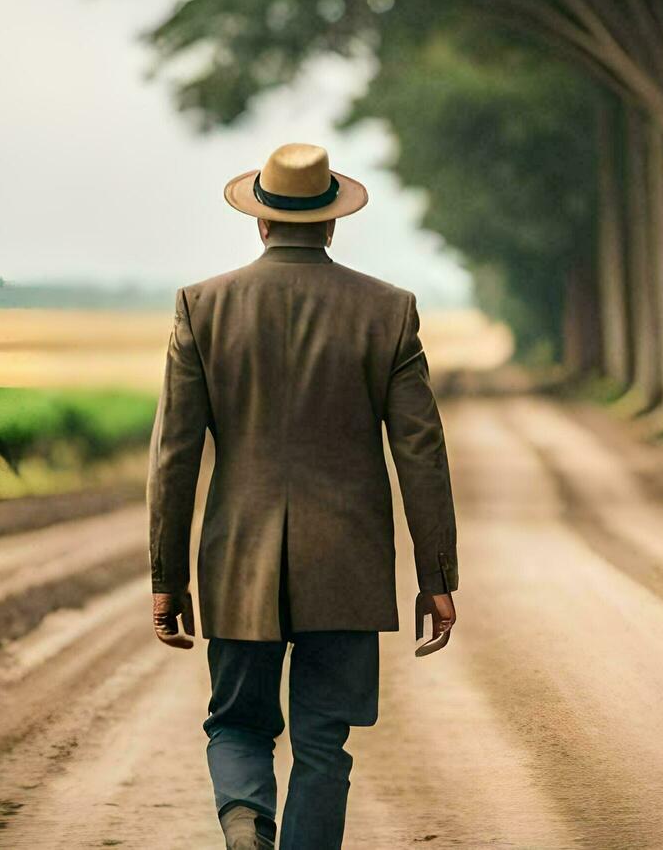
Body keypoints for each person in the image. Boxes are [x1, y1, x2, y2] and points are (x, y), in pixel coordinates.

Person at [147, 143, 460, 850]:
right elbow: (422, 454)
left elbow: (174, 456)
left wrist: (168, 579)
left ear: (261, 223)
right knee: (324, 743)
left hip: (239, 560)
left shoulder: (202, 307)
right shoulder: (389, 311)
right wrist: (436, 577)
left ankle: (246, 822)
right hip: (345, 564)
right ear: (331, 223)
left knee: (236, 723)